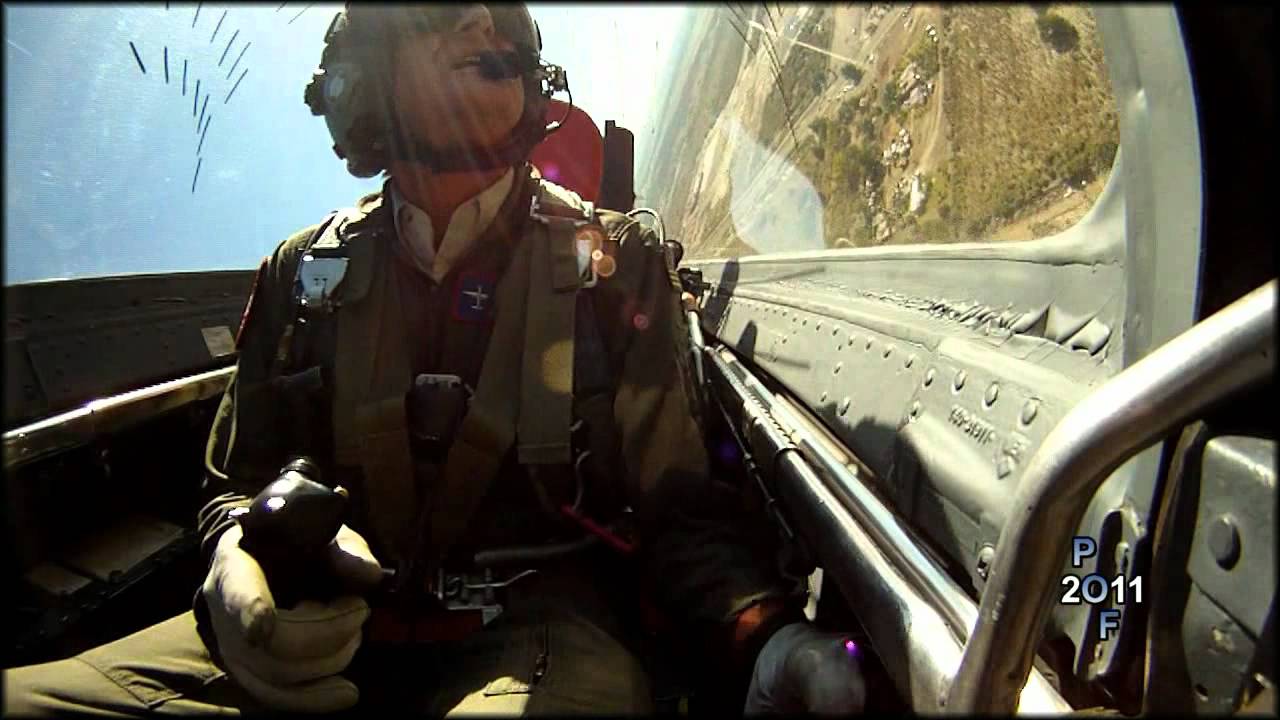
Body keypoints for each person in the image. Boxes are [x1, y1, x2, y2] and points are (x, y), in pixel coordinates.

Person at [4, 5, 866, 715]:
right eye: (441, 13)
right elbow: (233, 481)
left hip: (541, 625)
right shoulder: (300, 275)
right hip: (310, 626)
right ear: (365, 77)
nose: (483, 18)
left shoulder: (613, 262)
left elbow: (682, 511)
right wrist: (233, 561)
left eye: (501, 15)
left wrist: (763, 633)